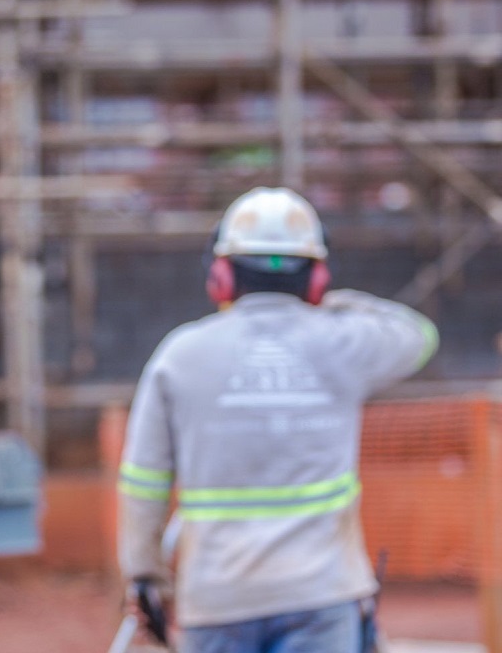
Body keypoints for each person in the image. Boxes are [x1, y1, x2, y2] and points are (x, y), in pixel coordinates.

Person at [117, 186, 440, 653]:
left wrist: (145, 577)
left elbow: (142, 481)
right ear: (317, 277)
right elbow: (418, 335)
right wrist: (327, 302)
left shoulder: (180, 355)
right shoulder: (344, 342)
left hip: (218, 602)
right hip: (324, 597)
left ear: (221, 275)